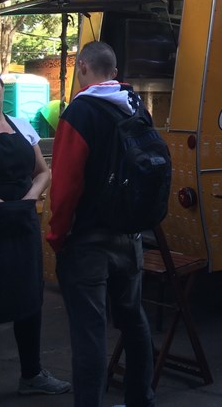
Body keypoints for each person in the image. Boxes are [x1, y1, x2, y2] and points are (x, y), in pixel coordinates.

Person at [47, 41, 156, 407]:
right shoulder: (138, 108)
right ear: (114, 72)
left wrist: (57, 237)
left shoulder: (79, 113)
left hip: (88, 242)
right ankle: (142, 398)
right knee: (134, 320)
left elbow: (64, 187)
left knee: (90, 333)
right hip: (131, 236)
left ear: (82, 69)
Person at [0, 64, 70, 407]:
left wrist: (30, 197)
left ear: (1, 88)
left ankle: (32, 374)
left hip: (21, 225)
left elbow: (42, 171)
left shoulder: (22, 127)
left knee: (28, 301)